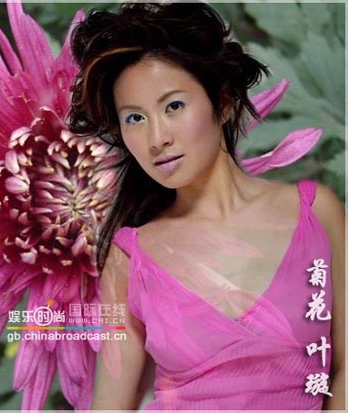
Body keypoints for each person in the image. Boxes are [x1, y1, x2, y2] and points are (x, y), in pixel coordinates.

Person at [67, 1, 345, 410]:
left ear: (224, 101)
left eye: (173, 106)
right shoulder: (129, 258)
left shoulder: (315, 212)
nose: (157, 138)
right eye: (135, 118)